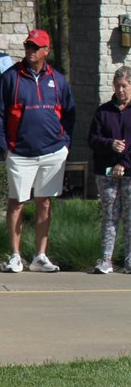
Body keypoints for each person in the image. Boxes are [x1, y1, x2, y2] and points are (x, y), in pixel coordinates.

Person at [0, 29, 76, 273]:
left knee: (44, 202)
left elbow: (69, 114)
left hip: (52, 152)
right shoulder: (11, 77)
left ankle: (40, 256)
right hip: (19, 152)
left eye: (35, 47)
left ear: (45, 51)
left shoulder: (58, 80)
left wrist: (65, 144)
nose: (30, 50)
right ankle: (15, 256)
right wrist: (3, 146)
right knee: (16, 201)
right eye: (28, 45)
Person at [87, 66, 131, 274]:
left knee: (130, 217)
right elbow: (93, 139)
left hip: (129, 173)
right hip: (106, 173)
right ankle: (105, 259)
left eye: (124, 86)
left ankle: (129, 260)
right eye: (117, 86)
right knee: (110, 216)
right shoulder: (103, 111)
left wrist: (124, 163)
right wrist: (110, 144)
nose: (120, 90)